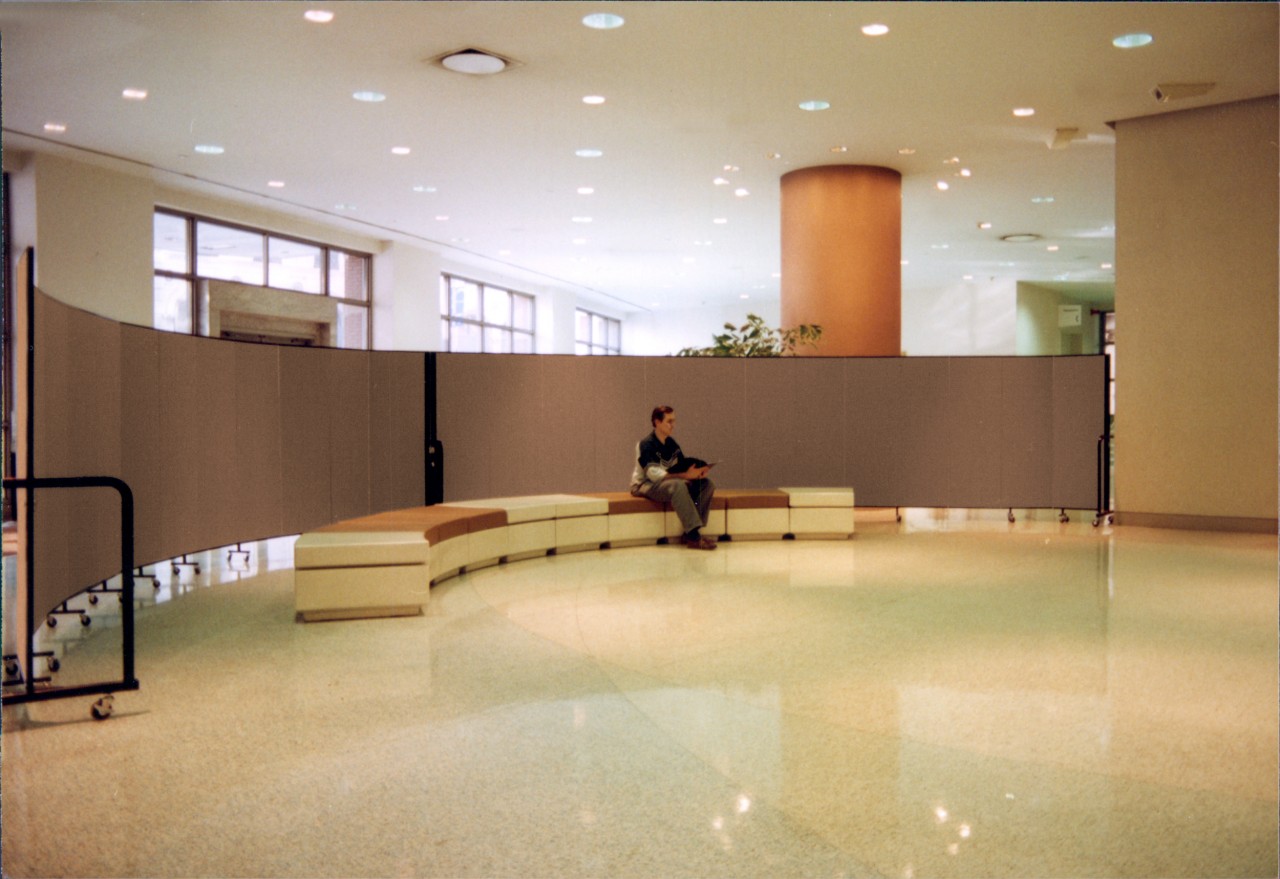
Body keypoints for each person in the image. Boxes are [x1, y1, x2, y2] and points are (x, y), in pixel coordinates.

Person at [630, 405, 717, 550]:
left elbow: (681, 466)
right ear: (657, 422)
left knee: (707, 484)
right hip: (644, 485)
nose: (673, 425)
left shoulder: (672, 444)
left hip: (667, 482)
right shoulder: (646, 444)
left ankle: (690, 532)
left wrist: (696, 474)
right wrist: (683, 476)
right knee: (677, 485)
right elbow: (653, 474)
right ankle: (694, 537)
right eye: (669, 421)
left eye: (674, 421)